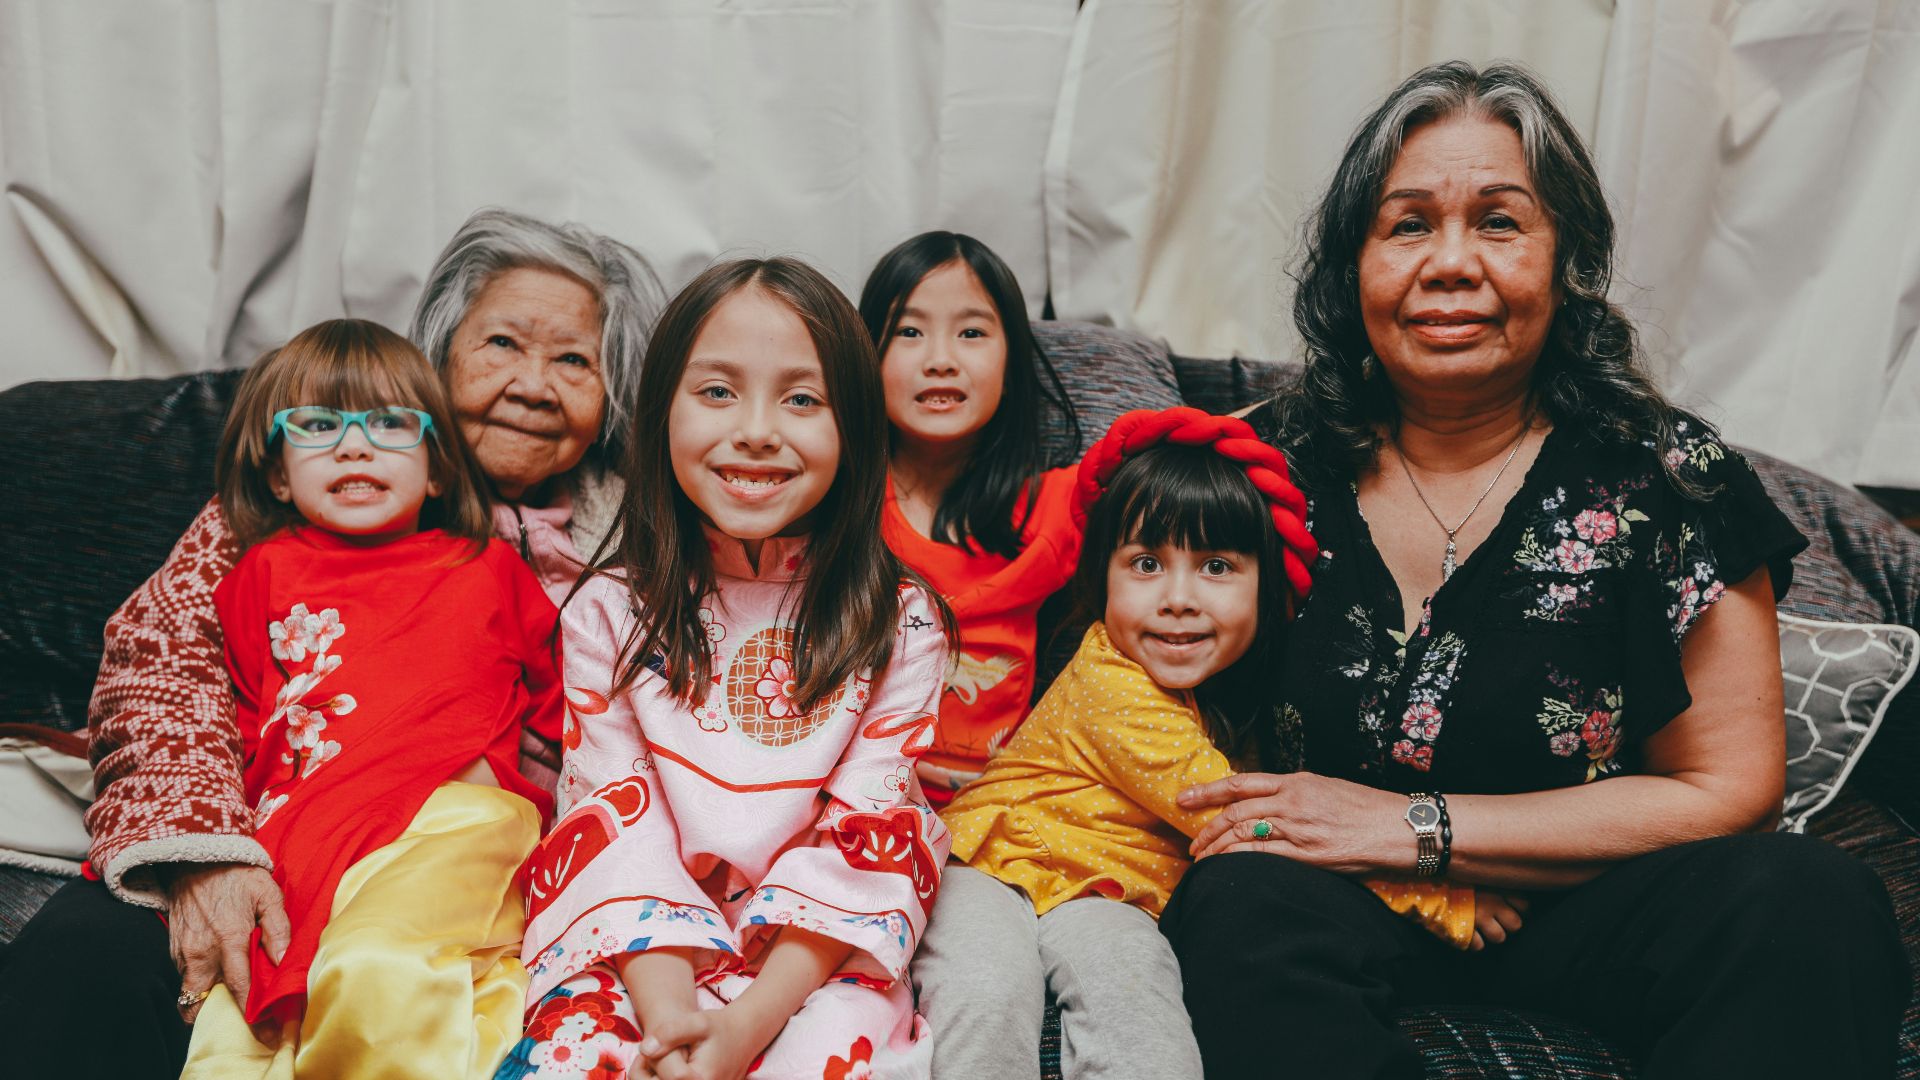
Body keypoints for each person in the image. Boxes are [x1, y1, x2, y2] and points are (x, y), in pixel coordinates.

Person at [1161, 61, 1909, 1079]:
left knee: (1811, 898)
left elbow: (1729, 789)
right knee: (1236, 905)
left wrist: (1414, 828)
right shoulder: (1257, 470)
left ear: (1567, 264)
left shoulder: (1671, 479)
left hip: (1583, 901)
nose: (1451, 263)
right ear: (1353, 267)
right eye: (1408, 224)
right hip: (1333, 901)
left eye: (1500, 223)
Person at [0, 208, 664, 1080]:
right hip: (276, 831)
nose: (534, 384)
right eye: (502, 343)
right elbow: (162, 665)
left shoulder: (651, 534)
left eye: (574, 359)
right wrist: (205, 857)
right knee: (91, 954)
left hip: (487, 872)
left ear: (612, 392)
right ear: (441, 353)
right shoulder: (315, 488)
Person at [920, 408, 1496, 1079]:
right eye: (1145, 564)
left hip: (1110, 898)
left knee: (1145, 1025)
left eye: (1216, 565)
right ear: (1100, 578)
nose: (1178, 599)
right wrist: (1444, 897)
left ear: (1266, 590)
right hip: (988, 868)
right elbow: (1249, 821)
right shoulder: (1110, 680)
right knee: (985, 992)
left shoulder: (1237, 707)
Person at [498, 258, 951, 1080]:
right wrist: (670, 1018)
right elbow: (614, 820)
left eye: (802, 400)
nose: (756, 430)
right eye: (716, 392)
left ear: (855, 427)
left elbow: (865, 839)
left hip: (811, 966)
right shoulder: (607, 612)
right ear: (659, 413)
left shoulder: (900, 620)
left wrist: (743, 1028)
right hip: (639, 956)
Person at [174, 319, 560, 1076]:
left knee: (373, 971)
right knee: (230, 1042)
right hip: (298, 844)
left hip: (454, 823)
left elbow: (570, 711)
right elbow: (244, 723)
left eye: (389, 423)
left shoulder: (488, 567)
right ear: (280, 476)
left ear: (439, 470)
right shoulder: (258, 573)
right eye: (318, 426)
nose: (355, 446)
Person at [857, 231, 1081, 803]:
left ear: (1012, 361)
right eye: (908, 331)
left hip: (994, 812)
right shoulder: (836, 502)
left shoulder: (1053, 505)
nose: (940, 361)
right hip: (853, 800)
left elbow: (1184, 441)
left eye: (972, 332)